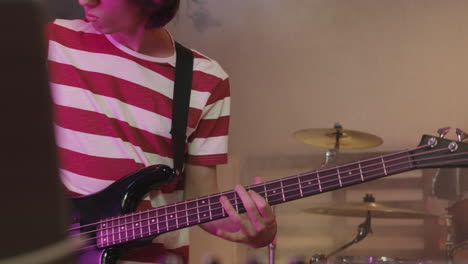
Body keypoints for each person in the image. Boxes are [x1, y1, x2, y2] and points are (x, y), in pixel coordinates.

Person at [45, 0, 277, 263]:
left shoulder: (206, 79)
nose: (84, 0)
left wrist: (252, 228)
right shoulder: (54, 41)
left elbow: (200, 198)